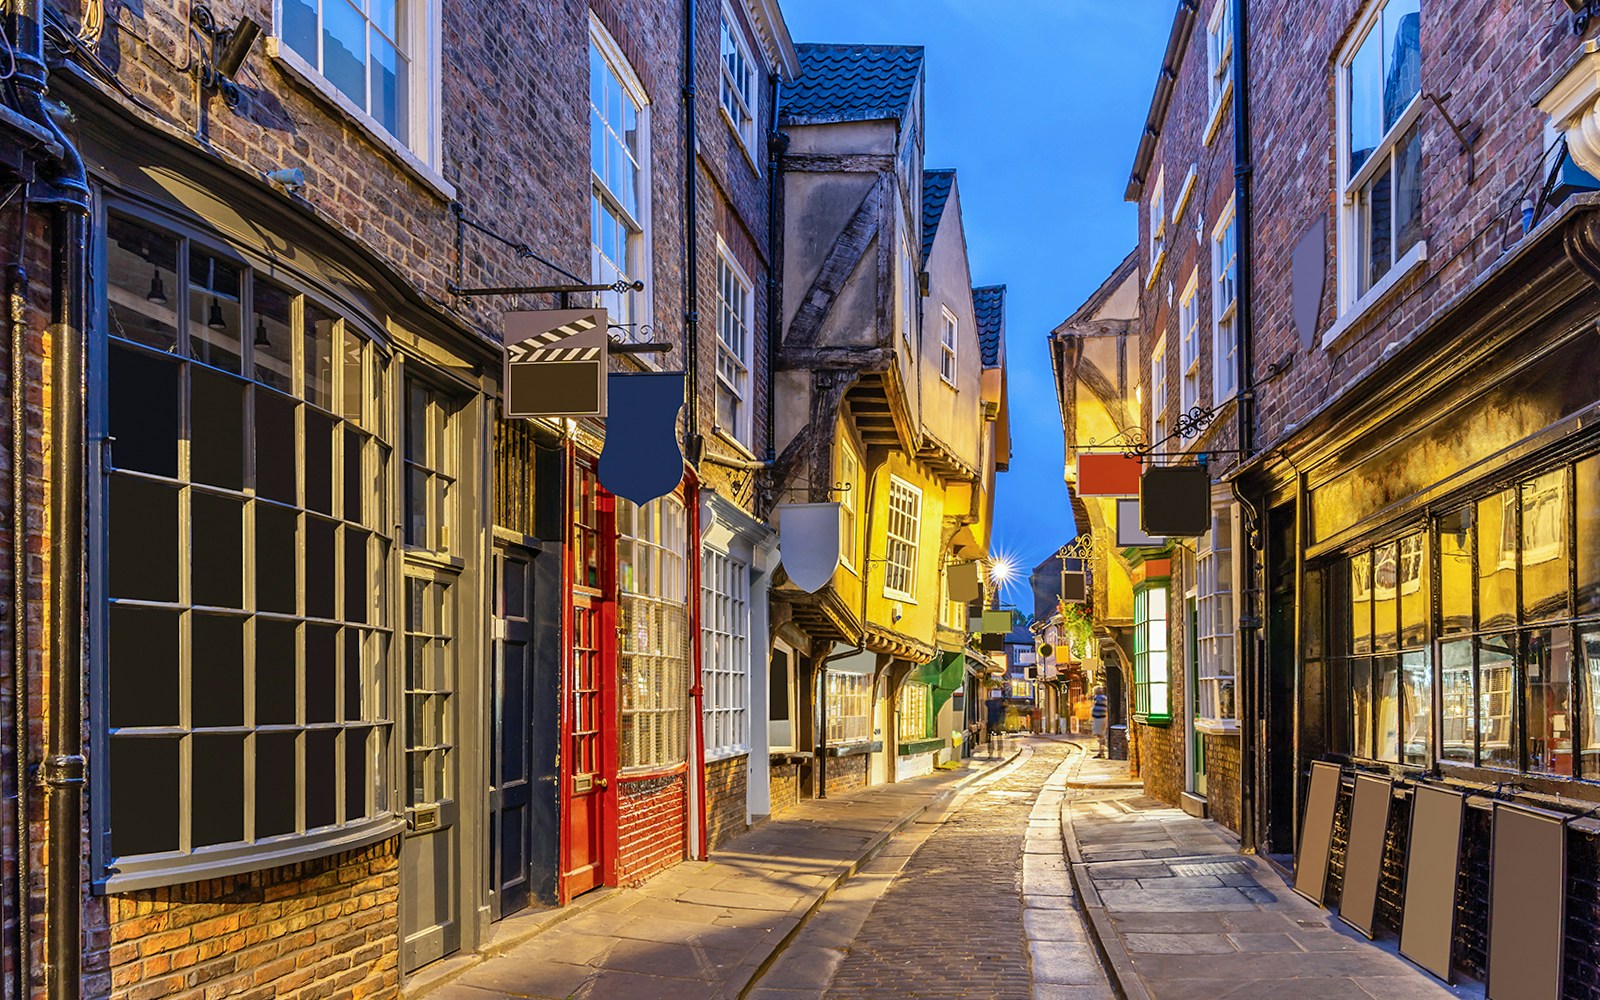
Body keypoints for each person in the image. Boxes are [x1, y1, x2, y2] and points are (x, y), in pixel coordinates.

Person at [1091, 685, 1108, 758]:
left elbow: (1095, 698)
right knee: (1100, 736)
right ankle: (1101, 751)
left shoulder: (1099, 698)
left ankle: (1101, 752)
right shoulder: (1102, 698)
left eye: (1094, 691)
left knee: (1101, 736)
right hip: (1099, 719)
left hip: (1099, 719)